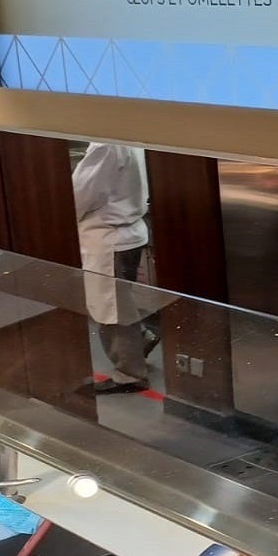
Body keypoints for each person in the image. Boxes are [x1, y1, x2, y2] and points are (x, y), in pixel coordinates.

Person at [72, 143, 158, 395]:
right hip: (128, 233)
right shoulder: (126, 133)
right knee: (121, 302)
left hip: (108, 237)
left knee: (110, 308)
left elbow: (81, 193)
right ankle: (142, 338)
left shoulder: (104, 144)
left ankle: (129, 374)